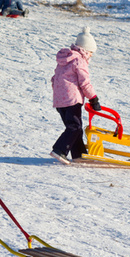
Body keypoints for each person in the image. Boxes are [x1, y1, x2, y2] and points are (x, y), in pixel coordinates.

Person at [50, 27, 99, 164]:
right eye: (90, 53)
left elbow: (54, 78)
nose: (91, 56)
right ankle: (59, 150)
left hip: (59, 101)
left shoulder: (65, 59)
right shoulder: (79, 61)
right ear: (85, 50)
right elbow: (84, 83)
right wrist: (93, 98)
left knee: (74, 128)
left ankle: (79, 154)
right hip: (72, 100)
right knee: (75, 127)